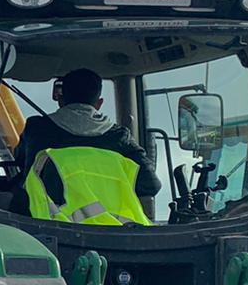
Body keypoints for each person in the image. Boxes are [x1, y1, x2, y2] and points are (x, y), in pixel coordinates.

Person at [13, 67, 161, 225]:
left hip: (46, 226)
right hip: (117, 232)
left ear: (60, 97)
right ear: (99, 103)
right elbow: (150, 185)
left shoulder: (37, 128)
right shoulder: (119, 137)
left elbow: (22, 165)